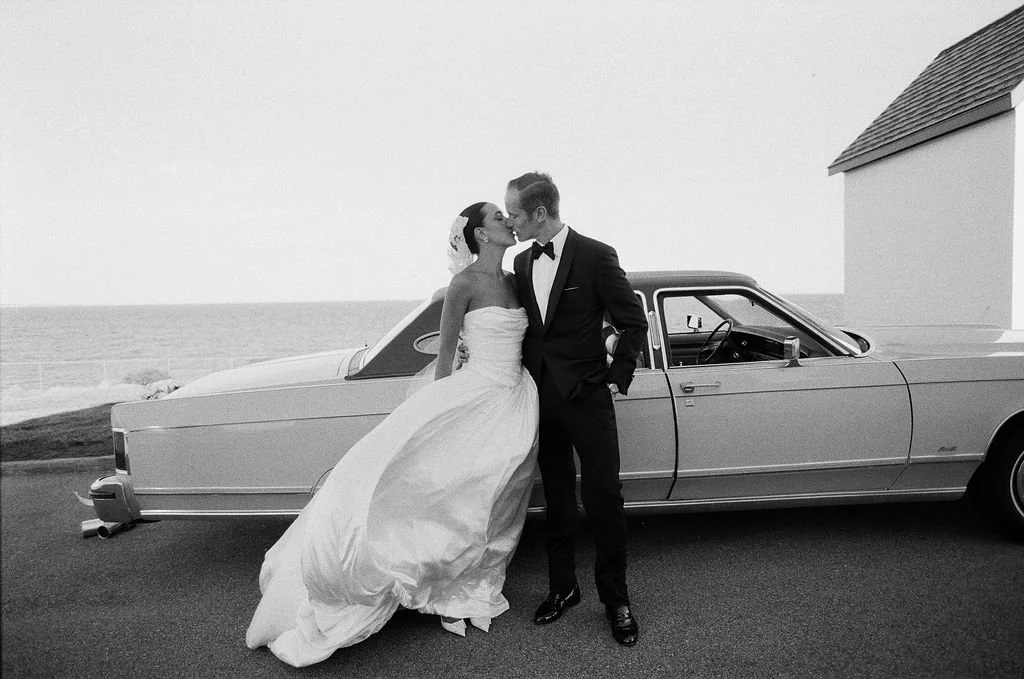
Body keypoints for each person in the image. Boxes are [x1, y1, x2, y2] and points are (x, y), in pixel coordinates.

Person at [245, 202, 539, 667]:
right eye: (499, 217)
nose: (508, 220)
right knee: (447, 488)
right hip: (473, 393)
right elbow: (444, 357)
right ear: (481, 234)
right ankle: (437, 579)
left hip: (514, 398)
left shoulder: (516, 278)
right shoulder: (463, 285)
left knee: (496, 490)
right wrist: (434, 412)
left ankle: (473, 574)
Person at [505, 172, 647, 647]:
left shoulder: (596, 255)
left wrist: (614, 379)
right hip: (541, 399)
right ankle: (563, 588)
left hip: (588, 395)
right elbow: (526, 331)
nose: (511, 222)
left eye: (516, 214)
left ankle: (616, 600)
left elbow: (633, 322)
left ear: (540, 213)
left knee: (605, 497)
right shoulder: (522, 264)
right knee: (558, 501)